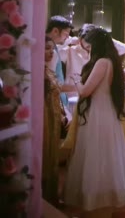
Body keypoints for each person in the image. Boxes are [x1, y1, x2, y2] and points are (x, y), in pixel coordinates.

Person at [63, 27, 125, 214]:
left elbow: (85, 91)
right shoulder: (111, 61)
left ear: (96, 45)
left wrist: (76, 80)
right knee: (104, 156)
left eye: (89, 48)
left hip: (98, 114)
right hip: (104, 112)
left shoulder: (102, 62)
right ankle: (103, 200)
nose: (88, 52)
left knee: (97, 156)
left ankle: (97, 200)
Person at [42, 37, 66, 206]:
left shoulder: (47, 70)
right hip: (45, 119)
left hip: (54, 118)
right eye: (47, 48)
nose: (51, 52)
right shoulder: (39, 72)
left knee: (53, 156)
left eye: (52, 48)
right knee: (46, 154)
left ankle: (51, 197)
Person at [46, 15, 74, 107]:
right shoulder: (48, 51)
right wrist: (78, 87)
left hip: (59, 99)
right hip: (53, 101)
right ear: (55, 31)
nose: (67, 37)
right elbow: (51, 82)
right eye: (66, 34)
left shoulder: (55, 47)